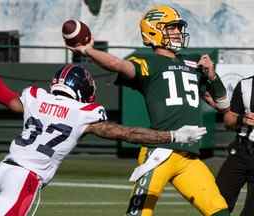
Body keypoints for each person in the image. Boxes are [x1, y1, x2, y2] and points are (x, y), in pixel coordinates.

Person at [0, 45, 206, 216]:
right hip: (24, 178)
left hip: (0, 171)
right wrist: (172, 136)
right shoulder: (84, 112)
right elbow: (127, 133)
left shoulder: (37, 97)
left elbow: (6, 99)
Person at [67, 5, 231, 216]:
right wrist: (87, 50)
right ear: (154, 31)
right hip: (160, 152)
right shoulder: (148, 62)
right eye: (172, 28)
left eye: (178, 28)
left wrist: (212, 76)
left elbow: (223, 106)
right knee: (139, 213)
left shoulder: (193, 63)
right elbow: (117, 64)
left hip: (189, 157)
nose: (178, 33)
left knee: (219, 211)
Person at [216, 76, 254, 216]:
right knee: (217, 203)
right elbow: (228, 119)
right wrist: (242, 119)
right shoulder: (245, 85)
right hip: (242, 149)